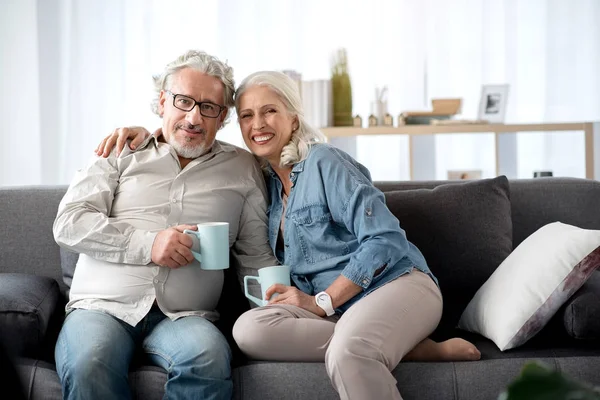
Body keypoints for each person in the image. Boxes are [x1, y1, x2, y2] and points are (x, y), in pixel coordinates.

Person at [98, 71, 481, 399]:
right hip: (342, 314)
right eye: (247, 115)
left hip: (395, 286)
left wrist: (322, 301)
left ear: (293, 119)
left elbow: (386, 241)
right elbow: (194, 139)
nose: (257, 124)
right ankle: (398, 348)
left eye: (269, 111)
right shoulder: (258, 178)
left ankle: (367, 345)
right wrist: (152, 137)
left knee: (348, 354)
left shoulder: (324, 162)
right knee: (249, 329)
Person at [53, 50, 276, 400]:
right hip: (102, 308)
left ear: (223, 117)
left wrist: (281, 312)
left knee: (208, 356)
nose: (193, 117)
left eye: (208, 107)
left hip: (186, 317)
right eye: (183, 101)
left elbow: (255, 257)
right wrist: (149, 243)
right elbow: (69, 222)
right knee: (89, 361)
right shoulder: (121, 150)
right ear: (162, 102)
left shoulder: (243, 169)